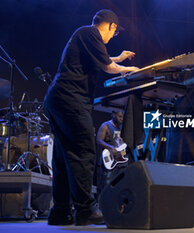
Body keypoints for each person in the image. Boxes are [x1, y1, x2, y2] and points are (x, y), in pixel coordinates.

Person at [43, 9, 139, 226]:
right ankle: (85, 210)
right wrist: (126, 68)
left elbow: (104, 59)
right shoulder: (90, 33)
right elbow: (107, 66)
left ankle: (60, 212)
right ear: (112, 26)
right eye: (114, 34)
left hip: (58, 100)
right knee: (84, 152)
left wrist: (119, 58)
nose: (112, 38)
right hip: (71, 101)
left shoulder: (85, 37)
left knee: (63, 156)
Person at [96, 110, 129, 193]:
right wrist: (111, 148)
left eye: (123, 117)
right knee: (106, 186)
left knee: (120, 185)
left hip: (121, 161)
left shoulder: (122, 127)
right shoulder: (106, 126)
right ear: (113, 115)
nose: (122, 119)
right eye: (120, 116)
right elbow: (99, 140)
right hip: (110, 160)